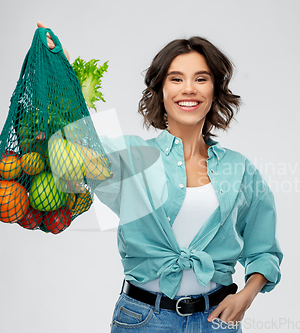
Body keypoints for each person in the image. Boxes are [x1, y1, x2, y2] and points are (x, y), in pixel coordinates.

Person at [37, 21, 283, 332]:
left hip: (216, 323)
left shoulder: (240, 169)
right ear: (161, 91)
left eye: (201, 79)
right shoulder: (131, 156)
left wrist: (245, 297)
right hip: (144, 321)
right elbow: (76, 143)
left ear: (215, 90)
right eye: (176, 78)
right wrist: (62, 69)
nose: (189, 88)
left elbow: (264, 250)